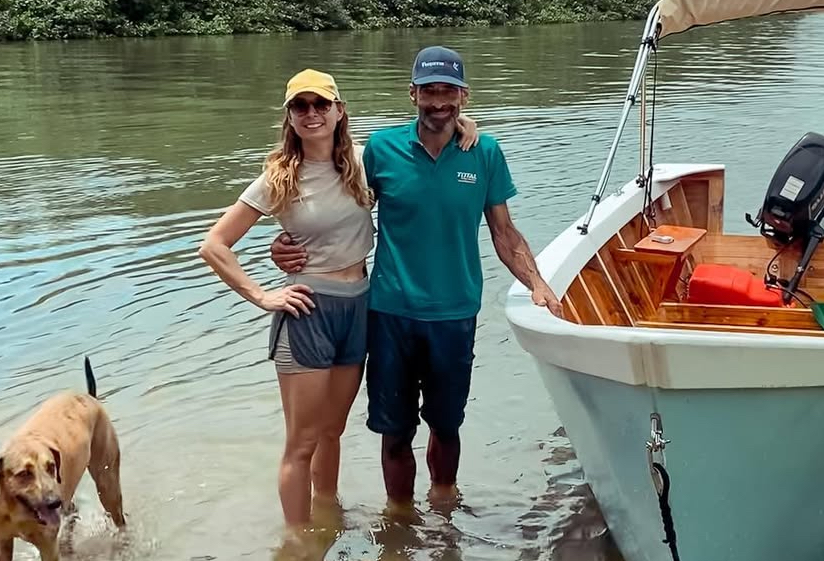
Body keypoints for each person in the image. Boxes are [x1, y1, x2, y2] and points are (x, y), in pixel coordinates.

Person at [271, 45, 561, 509]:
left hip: (455, 312)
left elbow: (504, 232)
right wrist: (284, 244)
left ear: (464, 96)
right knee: (395, 431)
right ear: (413, 94)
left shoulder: (485, 152)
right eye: (429, 91)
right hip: (390, 313)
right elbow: (332, 199)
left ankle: (444, 507)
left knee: (447, 425)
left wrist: (538, 285)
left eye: (448, 91)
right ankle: (400, 515)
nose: (439, 101)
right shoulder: (381, 150)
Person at [197, 67, 478, 527]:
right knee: (302, 441)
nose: (311, 113)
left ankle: (328, 519)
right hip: (308, 308)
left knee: (333, 431)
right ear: (289, 116)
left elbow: (423, 144)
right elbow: (214, 245)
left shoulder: (364, 162)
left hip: (360, 304)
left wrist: (461, 123)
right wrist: (262, 296)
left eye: (320, 104)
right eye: (300, 106)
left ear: (339, 111)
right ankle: (298, 542)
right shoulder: (279, 177)